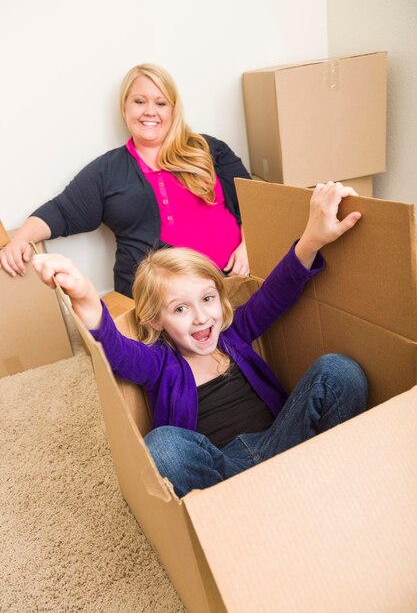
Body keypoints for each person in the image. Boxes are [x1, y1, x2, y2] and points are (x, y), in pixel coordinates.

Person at [33, 181, 368, 498]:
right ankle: (247, 511)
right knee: (161, 446)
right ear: (155, 320)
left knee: (338, 370)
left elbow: (274, 294)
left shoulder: (232, 335)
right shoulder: (158, 363)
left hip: (284, 445)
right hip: (224, 475)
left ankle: (322, 476)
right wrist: (87, 297)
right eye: (180, 308)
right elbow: (117, 352)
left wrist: (312, 239)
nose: (201, 317)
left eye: (207, 299)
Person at [0, 63, 251, 297]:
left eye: (161, 103)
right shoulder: (107, 171)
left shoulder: (209, 149)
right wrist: (21, 239)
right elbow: (60, 212)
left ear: (173, 109)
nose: (150, 111)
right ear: (125, 108)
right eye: (139, 101)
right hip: (156, 300)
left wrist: (250, 244)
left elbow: (255, 202)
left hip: (229, 282)